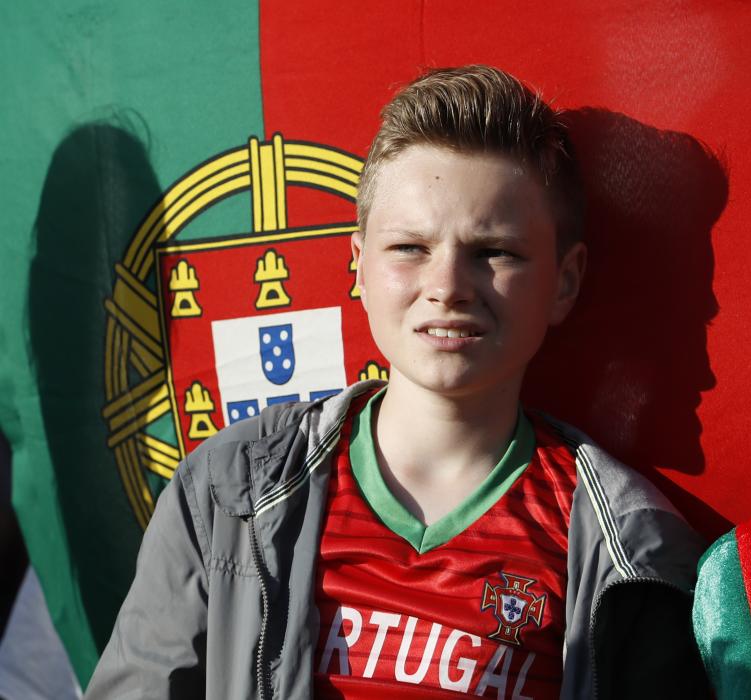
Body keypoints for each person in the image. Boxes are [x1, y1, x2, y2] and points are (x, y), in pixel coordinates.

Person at [85, 65, 709, 699]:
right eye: (410, 247)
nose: (447, 286)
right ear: (357, 265)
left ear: (565, 281)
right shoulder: (223, 491)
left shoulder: (632, 555)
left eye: (496, 252)